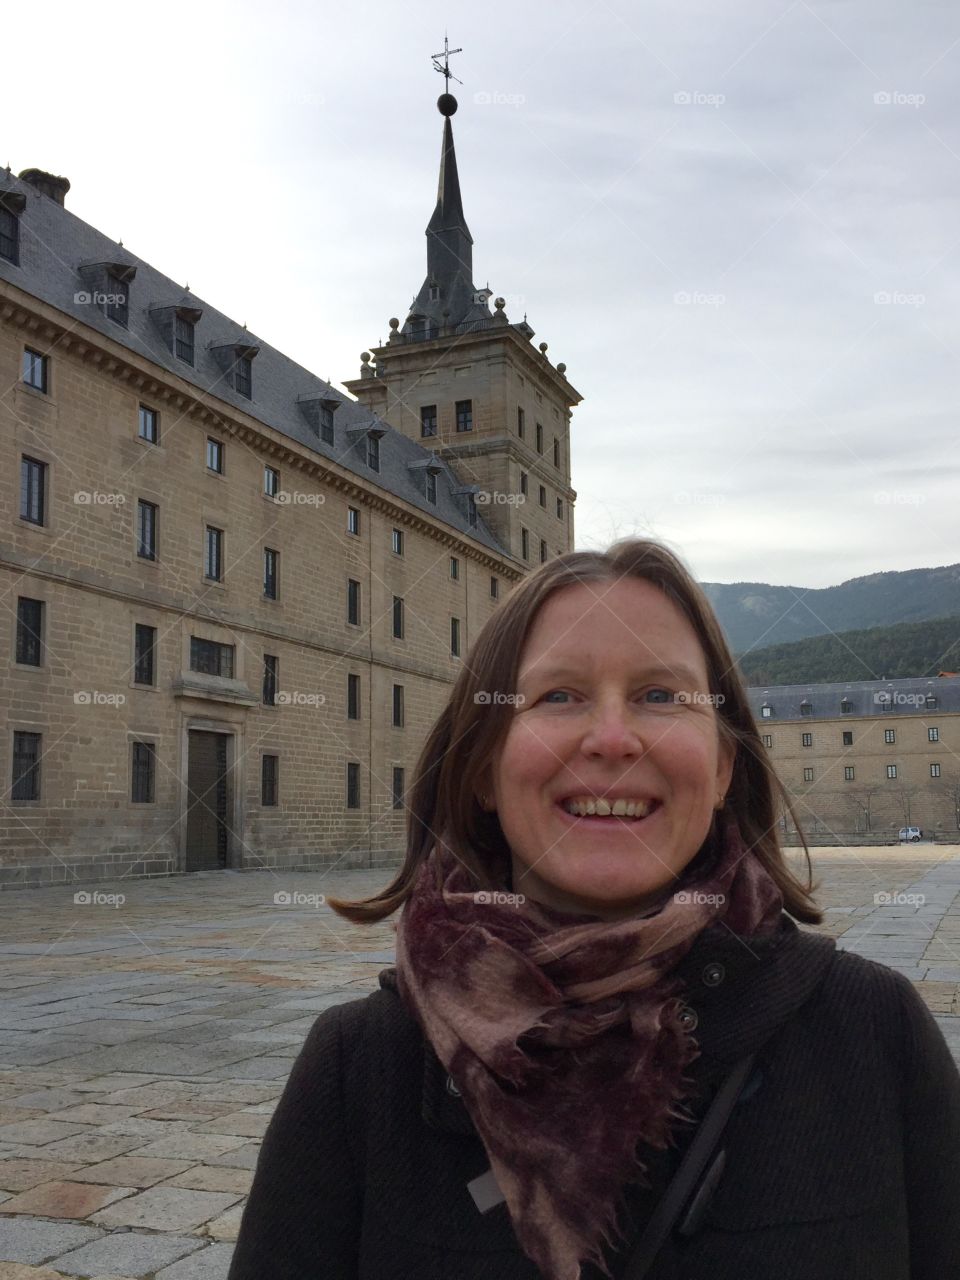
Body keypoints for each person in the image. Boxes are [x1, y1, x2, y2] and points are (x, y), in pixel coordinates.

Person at [227, 538, 960, 1280]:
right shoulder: (360, 1069)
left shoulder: (876, 1032)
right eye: (558, 696)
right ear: (483, 767)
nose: (613, 740)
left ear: (721, 768)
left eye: (660, 696)